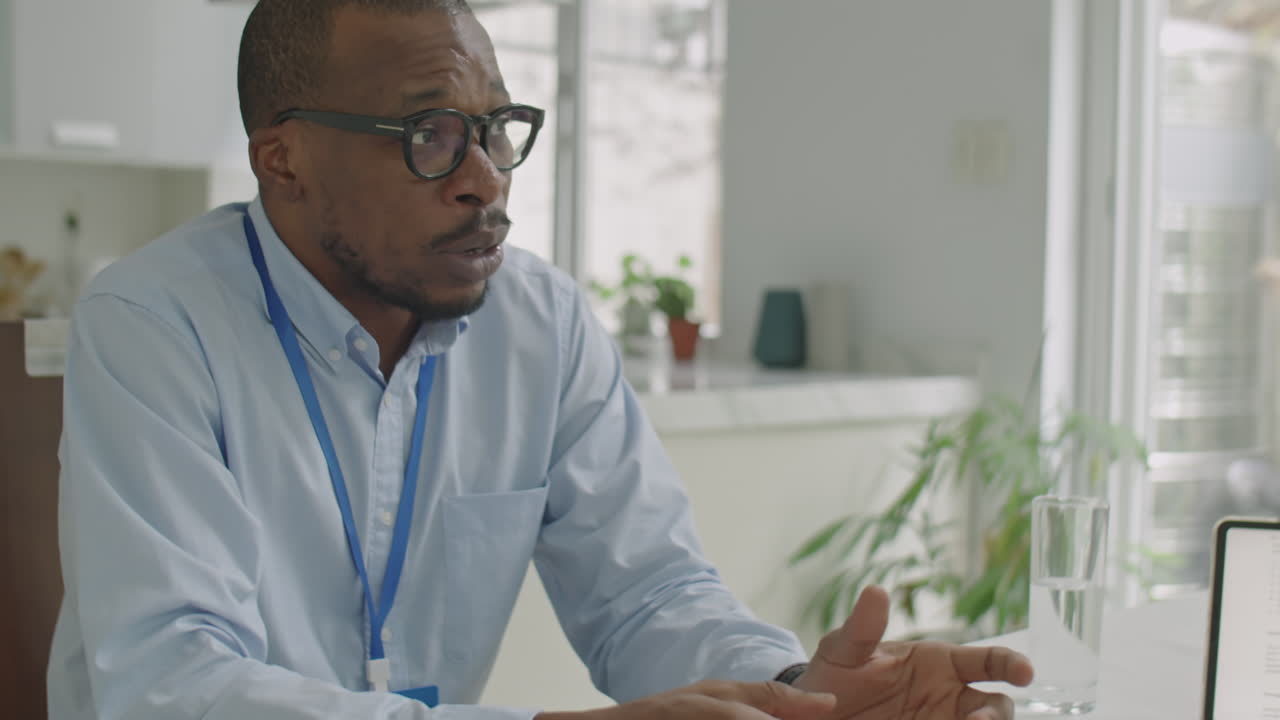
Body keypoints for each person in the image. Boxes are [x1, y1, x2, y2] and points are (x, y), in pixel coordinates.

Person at [46, 1, 1033, 718]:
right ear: (284, 160)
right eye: (428, 135)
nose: (482, 179)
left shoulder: (540, 321)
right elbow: (175, 685)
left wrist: (789, 693)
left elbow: (646, 592)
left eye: (495, 131)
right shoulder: (154, 322)